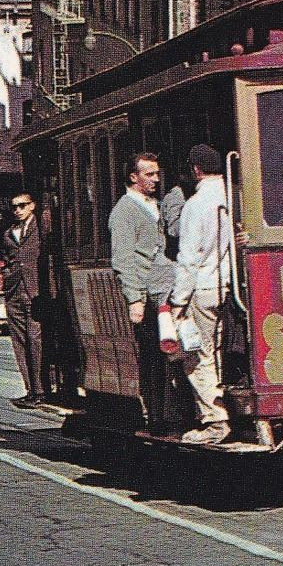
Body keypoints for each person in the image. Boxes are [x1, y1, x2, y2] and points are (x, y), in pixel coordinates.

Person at [169, 144, 238, 445]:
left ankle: (214, 419)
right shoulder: (233, 196)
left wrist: (178, 301)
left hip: (204, 287)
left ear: (196, 170)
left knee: (198, 355)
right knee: (222, 352)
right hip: (231, 286)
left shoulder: (196, 204)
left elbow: (189, 258)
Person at [108, 152, 175, 430]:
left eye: (157, 174)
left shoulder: (153, 206)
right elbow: (123, 258)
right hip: (147, 294)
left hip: (163, 289)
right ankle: (156, 415)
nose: (155, 180)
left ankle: (166, 411)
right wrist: (134, 298)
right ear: (133, 177)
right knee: (152, 355)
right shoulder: (124, 211)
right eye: (149, 174)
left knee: (165, 353)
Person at [0, 191, 54, 410]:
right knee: (20, 342)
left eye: (22, 205)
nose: (17, 210)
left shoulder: (41, 226)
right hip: (14, 291)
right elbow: (8, 260)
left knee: (35, 339)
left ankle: (41, 390)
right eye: (14, 206)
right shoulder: (9, 233)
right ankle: (30, 390)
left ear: (32, 206)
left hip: (35, 291)